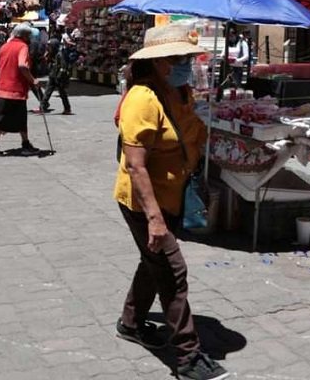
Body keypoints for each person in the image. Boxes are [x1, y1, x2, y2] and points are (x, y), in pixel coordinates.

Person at [113, 24, 228, 380]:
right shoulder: (142, 99)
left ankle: (131, 322)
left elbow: (190, 130)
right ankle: (188, 357)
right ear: (161, 62)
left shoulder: (179, 91)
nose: (186, 66)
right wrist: (155, 220)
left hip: (173, 195)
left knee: (154, 263)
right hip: (144, 203)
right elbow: (136, 165)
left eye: (187, 59)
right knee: (172, 271)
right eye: (180, 59)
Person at [0, 23, 42, 157]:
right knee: (21, 119)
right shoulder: (23, 47)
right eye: (29, 35)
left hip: (2, 88)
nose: (30, 38)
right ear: (24, 36)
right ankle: (25, 145)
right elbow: (22, 65)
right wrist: (32, 80)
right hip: (16, 89)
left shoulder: (4, 46)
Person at [38, 38, 72, 115]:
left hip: (58, 77)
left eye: (50, 46)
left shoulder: (60, 54)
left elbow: (63, 66)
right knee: (47, 92)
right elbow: (48, 63)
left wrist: (59, 76)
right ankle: (42, 107)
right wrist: (46, 57)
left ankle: (67, 108)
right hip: (52, 76)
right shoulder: (51, 54)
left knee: (62, 93)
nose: (48, 48)